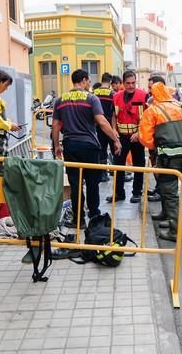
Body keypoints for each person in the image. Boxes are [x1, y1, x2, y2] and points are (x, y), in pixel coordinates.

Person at [52, 69, 121, 240]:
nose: (90, 84)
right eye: (89, 81)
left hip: (70, 146)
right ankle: (94, 217)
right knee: (92, 183)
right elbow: (102, 122)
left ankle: (78, 220)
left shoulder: (60, 100)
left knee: (75, 184)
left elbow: (55, 126)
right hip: (90, 146)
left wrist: (56, 146)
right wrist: (115, 140)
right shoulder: (91, 98)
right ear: (83, 80)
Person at [139, 77, 182, 242]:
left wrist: (159, 142)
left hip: (169, 159)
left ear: (154, 94)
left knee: (170, 195)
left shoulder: (153, 111)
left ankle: (174, 232)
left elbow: (145, 139)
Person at [110, 71, 148, 203]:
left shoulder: (143, 96)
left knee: (139, 164)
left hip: (137, 137)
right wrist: (114, 130)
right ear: (123, 83)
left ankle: (137, 192)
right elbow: (113, 115)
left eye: (133, 82)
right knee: (118, 164)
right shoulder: (116, 97)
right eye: (128, 83)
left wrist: (139, 133)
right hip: (121, 136)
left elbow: (148, 118)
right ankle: (119, 193)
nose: (131, 86)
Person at [93, 73, 117, 182]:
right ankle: (116, 171)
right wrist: (114, 129)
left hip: (98, 126)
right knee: (115, 149)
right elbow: (114, 113)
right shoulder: (113, 94)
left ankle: (103, 174)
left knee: (101, 149)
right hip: (109, 126)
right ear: (110, 82)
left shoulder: (94, 93)